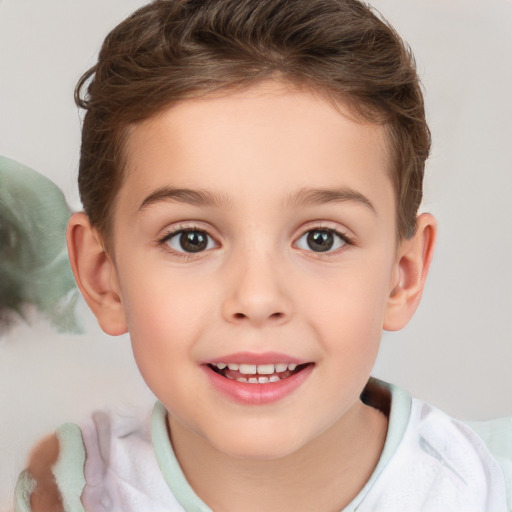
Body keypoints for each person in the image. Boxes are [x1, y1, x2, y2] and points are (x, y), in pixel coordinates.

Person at [14, 0, 511, 510]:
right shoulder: (60, 488)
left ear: (402, 276)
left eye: (322, 238)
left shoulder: (489, 485)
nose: (256, 298)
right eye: (192, 239)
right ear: (103, 276)